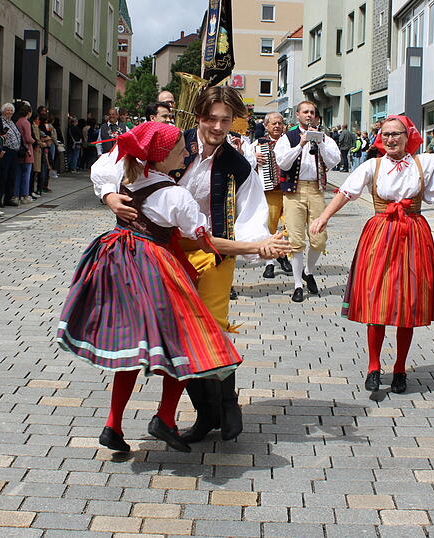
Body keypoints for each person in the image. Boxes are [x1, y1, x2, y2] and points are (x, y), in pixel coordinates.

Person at [94, 86, 290, 444]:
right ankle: (203, 414)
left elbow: (251, 212)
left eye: (225, 120)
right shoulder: (169, 141)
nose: (217, 126)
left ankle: (223, 406)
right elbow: (111, 161)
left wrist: (258, 244)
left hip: (214, 248)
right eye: (211, 118)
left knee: (211, 327)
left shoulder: (238, 163)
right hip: (162, 249)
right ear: (197, 116)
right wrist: (109, 195)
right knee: (171, 332)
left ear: (234, 122)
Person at [58, 121, 242, 453]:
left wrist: (111, 195)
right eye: (179, 149)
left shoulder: (127, 174)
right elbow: (205, 240)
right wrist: (256, 246)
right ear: (161, 156)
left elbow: (102, 168)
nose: (187, 151)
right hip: (154, 267)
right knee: (185, 340)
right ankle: (164, 418)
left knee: (134, 347)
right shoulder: (174, 195)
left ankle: (113, 425)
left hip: (116, 260)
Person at [310, 115, 434, 394]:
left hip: (413, 232)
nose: (391, 139)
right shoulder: (373, 165)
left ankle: (400, 368)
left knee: (408, 302)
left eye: (396, 134)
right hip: (380, 233)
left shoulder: (425, 163)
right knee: (377, 299)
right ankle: (373, 366)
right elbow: (346, 192)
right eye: (385, 134)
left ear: (408, 136)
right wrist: (323, 217)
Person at [274, 101, 342, 302]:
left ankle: (308, 271)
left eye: (312, 112)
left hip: (316, 190)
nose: (309, 115)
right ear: (297, 116)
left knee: (319, 239)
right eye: (305, 112)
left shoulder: (325, 138)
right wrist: (301, 144)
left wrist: (319, 143)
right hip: (293, 192)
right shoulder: (288, 138)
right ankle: (297, 284)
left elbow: (334, 162)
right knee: (295, 239)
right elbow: (283, 163)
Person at [250, 111, 292, 279]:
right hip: (271, 191)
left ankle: (282, 255)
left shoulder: (290, 142)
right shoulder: (257, 144)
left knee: (290, 226)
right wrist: (253, 159)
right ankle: (270, 263)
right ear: (266, 126)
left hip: (290, 190)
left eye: (279, 123)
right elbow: (247, 166)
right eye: (273, 123)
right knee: (270, 227)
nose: (277, 126)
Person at [0, 103, 21, 207]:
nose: (10, 113)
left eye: (11, 110)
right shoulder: (0, 121)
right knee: (3, 176)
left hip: (14, 152)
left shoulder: (12, 122)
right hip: (6, 151)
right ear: (3, 111)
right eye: (7, 110)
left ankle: (8, 197)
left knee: (12, 175)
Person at [14, 102, 35, 204]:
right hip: (27, 151)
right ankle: (25, 195)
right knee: (26, 174)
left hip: (19, 150)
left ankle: (16, 195)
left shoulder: (18, 121)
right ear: (28, 113)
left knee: (18, 174)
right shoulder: (26, 122)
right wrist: (35, 141)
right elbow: (28, 138)